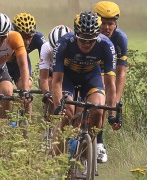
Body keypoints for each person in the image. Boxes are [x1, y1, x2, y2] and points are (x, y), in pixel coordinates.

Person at [50, 11, 118, 147]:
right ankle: (58, 159)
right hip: (68, 78)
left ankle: (87, 152)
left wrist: (112, 113)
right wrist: (58, 106)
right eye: (82, 40)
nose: (86, 44)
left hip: (91, 77)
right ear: (76, 35)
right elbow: (56, 81)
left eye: (91, 40)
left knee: (98, 110)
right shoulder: (64, 43)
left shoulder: (106, 45)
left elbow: (110, 85)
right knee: (67, 112)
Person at [93, 1, 128, 163]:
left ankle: (98, 142)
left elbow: (121, 73)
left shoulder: (120, 39)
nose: (107, 28)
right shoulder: (88, 34)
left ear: (116, 24)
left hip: (109, 73)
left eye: (111, 24)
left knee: (105, 98)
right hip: (89, 70)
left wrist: (115, 103)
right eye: (103, 23)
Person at [7, 12, 44, 88]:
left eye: (29, 37)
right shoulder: (7, 37)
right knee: (5, 88)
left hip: (21, 63)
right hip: (5, 63)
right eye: (23, 37)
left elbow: (46, 58)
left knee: (26, 85)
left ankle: (22, 99)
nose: (26, 42)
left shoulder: (38, 38)